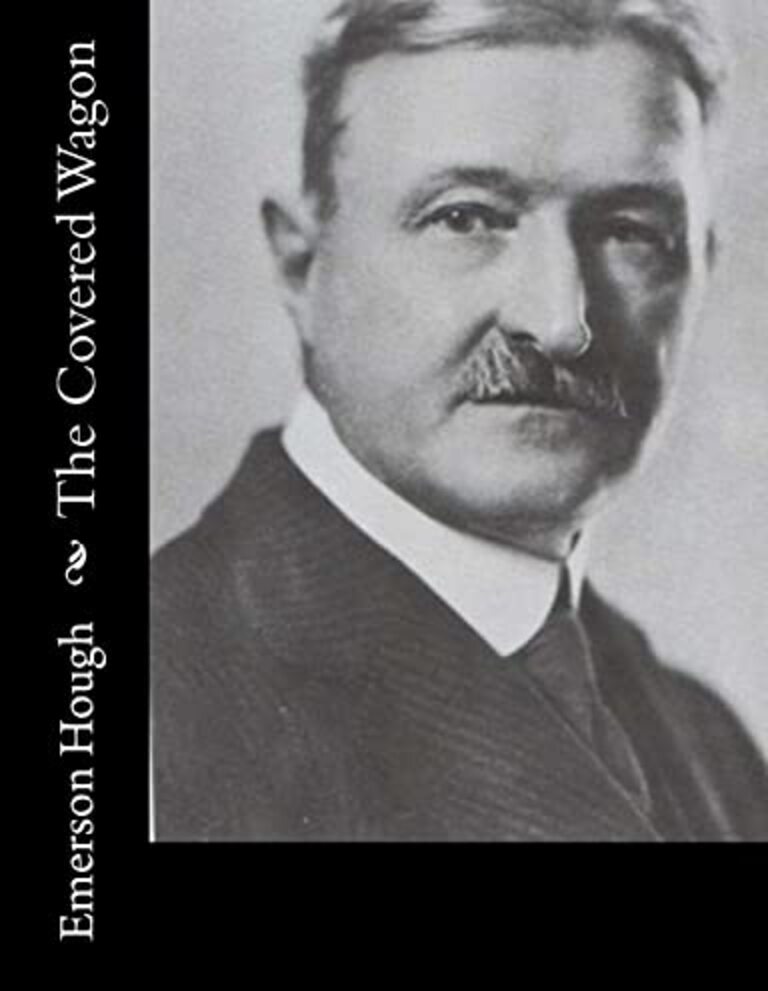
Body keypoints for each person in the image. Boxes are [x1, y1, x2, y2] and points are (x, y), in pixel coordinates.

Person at [152, 0, 768, 841]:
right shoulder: (163, 698)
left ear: (702, 268)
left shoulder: (712, 747)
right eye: (465, 217)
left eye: (630, 232)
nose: (561, 322)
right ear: (301, 263)